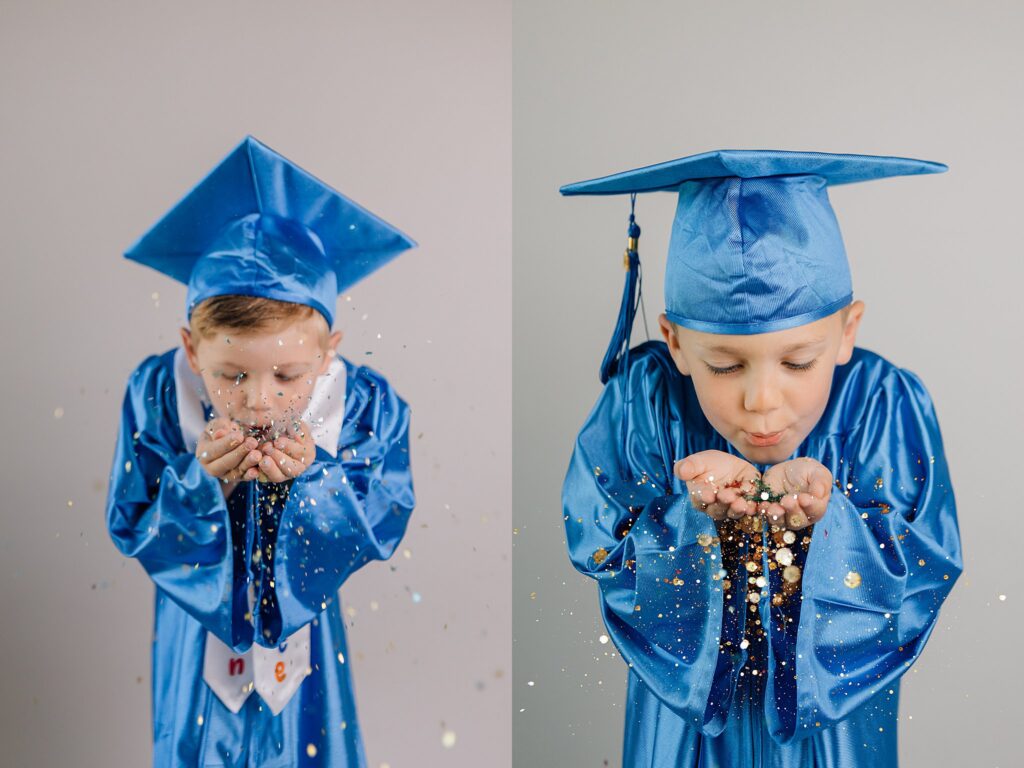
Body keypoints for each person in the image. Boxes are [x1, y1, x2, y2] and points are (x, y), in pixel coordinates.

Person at [560, 150, 963, 767]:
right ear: (675, 341)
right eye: (724, 365)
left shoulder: (881, 401)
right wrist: (695, 521)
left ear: (848, 329)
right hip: (683, 738)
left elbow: (921, 565)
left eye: (798, 362)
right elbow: (600, 546)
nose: (762, 401)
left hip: (829, 740)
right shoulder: (643, 398)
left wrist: (824, 528)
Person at [106, 135, 416, 767]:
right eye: (231, 375)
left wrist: (313, 484)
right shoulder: (161, 394)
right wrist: (201, 488)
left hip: (305, 638)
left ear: (328, 351)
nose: (259, 401)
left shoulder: (359, 403)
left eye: (288, 375)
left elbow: (385, 513)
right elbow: (132, 520)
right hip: (196, 638)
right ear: (193, 350)